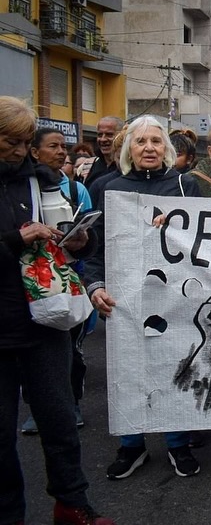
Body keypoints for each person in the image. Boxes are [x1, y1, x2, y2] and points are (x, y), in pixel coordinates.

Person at [0, 96, 115, 525]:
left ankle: (72, 504)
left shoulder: (47, 181)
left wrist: (81, 241)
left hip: (45, 323)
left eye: (24, 142)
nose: (18, 151)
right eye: (10, 141)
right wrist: (17, 239)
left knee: (61, 423)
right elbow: (20, 241)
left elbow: (68, 238)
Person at [85, 116, 202, 482]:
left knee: (175, 367)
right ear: (128, 149)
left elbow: (205, 239)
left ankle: (177, 442)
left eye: (156, 141)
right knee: (129, 370)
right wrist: (95, 285)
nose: (149, 148)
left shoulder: (186, 187)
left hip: (174, 297)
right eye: (141, 142)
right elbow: (92, 249)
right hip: (124, 299)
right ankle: (131, 445)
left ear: (166, 149)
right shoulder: (106, 187)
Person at [21, 127, 95, 434]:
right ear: (35, 152)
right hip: (33, 285)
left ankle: (71, 403)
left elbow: (93, 238)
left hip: (68, 278)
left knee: (70, 349)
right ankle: (38, 408)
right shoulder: (22, 188)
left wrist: (83, 239)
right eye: (54, 146)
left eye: (64, 146)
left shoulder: (77, 189)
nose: (62, 152)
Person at [83, 116, 123, 187]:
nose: (103, 139)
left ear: (122, 137)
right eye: (100, 135)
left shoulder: (130, 168)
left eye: (109, 135)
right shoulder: (86, 168)